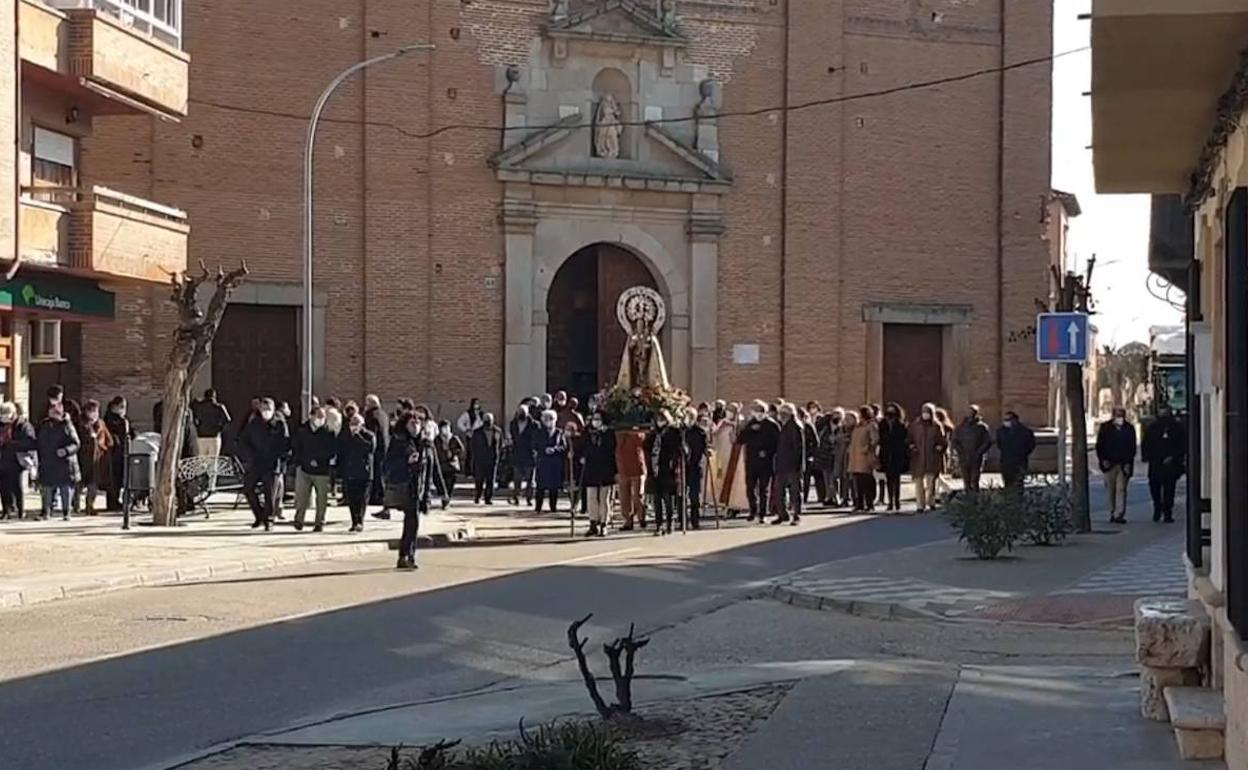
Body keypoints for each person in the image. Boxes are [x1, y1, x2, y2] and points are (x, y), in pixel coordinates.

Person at [383, 412, 435, 570]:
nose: (416, 425)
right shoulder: (399, 442)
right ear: (405, 425)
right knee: (411, 522)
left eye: (419, 422)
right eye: (413, 422)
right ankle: (405, 556)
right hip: (404, 486)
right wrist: (406, 461)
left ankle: (408, 556)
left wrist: (431, 493)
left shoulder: (425, 444)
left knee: (413, 524)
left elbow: (431, 469)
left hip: (419, 489)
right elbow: (387, 465)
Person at [238, 397, 290, 531]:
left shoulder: (279, 424)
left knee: (270, 493)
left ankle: (269, 519)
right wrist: (249, 456)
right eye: (263, 409)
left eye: (268, 409)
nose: (265, 412)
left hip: (273, 464)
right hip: (256, 461)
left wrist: (281, 459)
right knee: (248, 489)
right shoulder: (254, 423)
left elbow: (285, 443)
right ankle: (259, 515)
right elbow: (244, 440)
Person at [291, 405, 337, 532]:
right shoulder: (302, 430)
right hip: (304, 468)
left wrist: (320, 461)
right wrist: (302, 462)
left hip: (322, 470)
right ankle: (299, 520)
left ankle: (319, 522)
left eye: (323, 417)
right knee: (301, 497)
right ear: (311, 416)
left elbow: (331, 450)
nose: (321, 419)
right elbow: (297, 447)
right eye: (318, 416)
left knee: (321, 498)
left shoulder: (328, 432)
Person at [1141, 405, 1186, 523]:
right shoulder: (1152, 428)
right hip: (1156, 462)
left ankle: (1167, 511)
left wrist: (1174, 457)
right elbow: (1146, 444)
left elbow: (1182, 445)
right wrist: (1148, 457)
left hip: (1170, 464)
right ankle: (1158, 507)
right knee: (1155, 487)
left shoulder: (1177, 427)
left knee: (1169, 489)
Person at [37, 402, 80, 521]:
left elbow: (76, 443)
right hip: (48, 461)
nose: (53, 414)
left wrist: (66, 450)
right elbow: (39, 441)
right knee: (47, 488)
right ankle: (46, 511)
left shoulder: (67, 425)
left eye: (56, 412)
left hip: (64, 463)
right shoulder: (44, 425)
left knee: (65, 489)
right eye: (51, 411)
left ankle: (66, 512)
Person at [740, 400, 780, 523]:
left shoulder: (772, 425)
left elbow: (777, 443)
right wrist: (748, 429)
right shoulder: (750, 424)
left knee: (764, 489)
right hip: (751, 461)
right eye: (756, 411)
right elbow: (741, 439)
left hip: (765, 462)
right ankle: (753, 510)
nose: (758, 414)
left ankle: (762, 513)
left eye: (761, 411)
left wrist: (767, 452)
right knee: (750, 488)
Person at [1096, 407, 1138, 524]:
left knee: (1121, 489)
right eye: (1117, 415)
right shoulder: (1105, 428)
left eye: (1121, 415)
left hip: (1124, 464)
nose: (1120, 418)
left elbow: (1132, 447)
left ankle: (1119, 513)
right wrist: (1103, 459)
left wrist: (1128, 463)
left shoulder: (1129, 429)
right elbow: (1100, 445)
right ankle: (1112, 511)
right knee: (1110, 489)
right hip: (1109, 464)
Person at [646, 410, 685, 535]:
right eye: (658, 419)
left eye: (662, 419)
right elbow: (646, 446)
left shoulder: (674, 433)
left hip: (668, 468)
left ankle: (669, 522)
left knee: (668, 498)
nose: (660, 422)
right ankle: (659, 524)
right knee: (657, 499)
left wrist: (681, 450)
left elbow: (681, 447)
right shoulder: (654, 434)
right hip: (655, 469)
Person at [579, 413, 617, 536]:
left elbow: (611, 450)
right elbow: (582, 447)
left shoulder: (608, 433)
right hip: (591, 469)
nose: (595, 421)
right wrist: (582, 456)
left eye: (598, 419)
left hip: (605, 469)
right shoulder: (587, 433)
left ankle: (604, 523)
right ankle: (593, 523)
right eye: (594, 419)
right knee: (591, 498)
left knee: (604, 498)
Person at [338, 413, 376, 532]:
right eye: (352, 423)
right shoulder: (346, 436)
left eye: (356, 424)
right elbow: (341, 450)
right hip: (350, 472)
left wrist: (358, 435)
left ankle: (360, 521)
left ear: (362, 424)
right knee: (352, 499)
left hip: (365, 473)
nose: (353, 426)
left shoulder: (369, 435)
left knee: (362, 499)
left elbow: (370, 448)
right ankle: (354, 522)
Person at [75, 400, 114, 516]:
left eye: (96, 411)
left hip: (98, 459)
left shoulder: (101, 423)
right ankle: (76, 505)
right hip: (83, 457)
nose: (94, 414)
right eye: (92, 411)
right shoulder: (80, 424)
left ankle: (89, 506)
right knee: (80, 483)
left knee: (94, 484)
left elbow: (109, 440)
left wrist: (103, 447)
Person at [907, 403, 948, 512]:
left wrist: (940, 447)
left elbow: (943, 440)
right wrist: (912, 447)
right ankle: (920, 505)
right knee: (918, 483)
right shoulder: (915, 425)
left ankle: (931, 502)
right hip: (918, 458)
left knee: (931, 484)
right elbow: (909, 439)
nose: (925, 414)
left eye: (928, 412)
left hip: (932, 458)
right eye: (924, 411)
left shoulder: (936, 426)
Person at [0, 403, 35, 519]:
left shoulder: (23, 425)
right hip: (3, 458)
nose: (4, 418)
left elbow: (30, 442)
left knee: (17, 486)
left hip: (17, 459)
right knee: (4, 486)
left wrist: (13, 444)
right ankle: (6, 510)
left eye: (6, 415)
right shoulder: (2, 425)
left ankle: (21, 510)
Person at [773, 402, 805, 525]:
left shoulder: (795, 426)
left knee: (795, 492)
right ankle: (783, 514)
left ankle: (796, 515)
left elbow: (798, 447)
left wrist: (797, 465)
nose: (780, 416)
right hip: (782, 464)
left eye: (782, 413)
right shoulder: (784, 426)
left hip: (792, 465)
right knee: (779, 490)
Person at [101, 396, 133, 512]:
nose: (124, 410)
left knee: (119, 478)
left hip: (122, 452)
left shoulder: (123, 420)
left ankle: (116, 500)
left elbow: (130, 434)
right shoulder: (110, 419)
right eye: (122, 407)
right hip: (113, 453)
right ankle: (112, 502)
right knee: (113, 478)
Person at [952, 405, 992, 492]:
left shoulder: (982, 427)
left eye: (973, 412)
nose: (970, 414)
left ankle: (974, 500)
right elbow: (954, 441)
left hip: (977, 457)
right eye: (969, 412)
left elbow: (987, 441)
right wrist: (960, 452)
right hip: (964, 457)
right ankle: (967, 499)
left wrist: (979, 452)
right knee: (966, 481)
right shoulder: (960, 427)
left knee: (975, 480)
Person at [534, 410, 567, 513]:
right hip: (543, 462)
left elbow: (564, 446)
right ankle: (538, 507)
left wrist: (555, 449)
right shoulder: (538, 432)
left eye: (551, 419)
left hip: (555, 463)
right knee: (540, 487)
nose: (549, 421)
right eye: (547, 419)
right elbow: (534, 445)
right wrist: (544, 449)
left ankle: (553, 507)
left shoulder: (559, 432)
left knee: (554, 487)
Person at [615, 424, 648, 529]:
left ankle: (641, 517)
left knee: (638, 496)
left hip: (637, 468)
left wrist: (633, 431)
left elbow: (641, 441)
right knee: (624, 497)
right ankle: (628, 520)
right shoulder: (618, 435)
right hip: (623, 468)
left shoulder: (638, 434)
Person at [848, 405, 880, 512]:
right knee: (858, 482)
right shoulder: (857, 427)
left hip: (865, 457)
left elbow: (875, 440)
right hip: (855, 457)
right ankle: (859, 504)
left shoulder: (871, 426)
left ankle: (870, 503)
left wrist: (867, 448)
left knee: (867, 481)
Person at [878, 403, 909, 512]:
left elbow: (904, 439)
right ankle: (890, 501)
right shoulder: (882, 424)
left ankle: (897, 501)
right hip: (886, 454)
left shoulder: (901, 424)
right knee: (889, 479)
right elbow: (880, 438)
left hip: (897, 454)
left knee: (896, 479)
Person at [996, 410, 1037, 490]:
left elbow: (1031, 445)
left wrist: (1022, 453)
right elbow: (999, 444)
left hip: (1020, 461)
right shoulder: (1001, 431)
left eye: (1008, 419)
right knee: (1007, 483)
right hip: (1006, 461)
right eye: (1005, 420)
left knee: (1018, 483)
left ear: (1015, 420)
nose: (1006, 422)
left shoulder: (1025, 432)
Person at [363, 394, 390, 514]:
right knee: (381, 473)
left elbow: (371, 433)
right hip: (385, 447)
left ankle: (380, 497)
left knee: (377, 474)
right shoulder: (383, 414)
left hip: (376, 448)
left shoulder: (371, 415)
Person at [684, 408, 710, 529]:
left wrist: (707, 452)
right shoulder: (680, 431)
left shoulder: (700, 432)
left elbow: (705, 447)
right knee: (681, 496)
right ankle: (682, 520)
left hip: (695, 466)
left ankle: (695, 520)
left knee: (694, 496)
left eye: (690, 416)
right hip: (682, 467)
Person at [470, 413, 503, 505]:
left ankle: (488, 498)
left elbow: (500, 444)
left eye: (490, 420)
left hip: (492, 459)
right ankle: (478, 496)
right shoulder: (477, 432)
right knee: (479, 479)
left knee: (491, 480)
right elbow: (473, 446)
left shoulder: (498, 431)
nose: (488, 422)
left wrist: (498, 455)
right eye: (486, 420)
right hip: (480, 459)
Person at [433, 419, 465, 509]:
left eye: (447, 427)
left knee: (450, 484)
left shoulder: (454, 438)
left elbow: (461, 450)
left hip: (452, 465)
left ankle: (447, 499)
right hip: (441, 465)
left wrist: (453, 453)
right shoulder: (437, 439)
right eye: (443, 428)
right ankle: (444, 498)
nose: (445, 430)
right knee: (441, 484)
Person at [509, 403, 537, 506]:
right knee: (517, 478)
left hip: (529, 455)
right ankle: (516, 497)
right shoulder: (513, 424)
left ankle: (529, 498)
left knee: (530, 480)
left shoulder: (534, 425)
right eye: (520, 412)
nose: (521, 414)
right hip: (517, 454)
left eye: (523, 413)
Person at [190, 388, 231, 458]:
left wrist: (198, 427)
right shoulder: (219, 407)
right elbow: (228, 420)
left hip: (201, 436)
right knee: (213, 461)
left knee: (202, 460)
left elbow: (192, 408)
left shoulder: (199, 406)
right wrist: (219, 430)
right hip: (214, 436)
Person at [832, 410, 857, 508]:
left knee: (852, 479)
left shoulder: (856, 429)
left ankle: (855, 498)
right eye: (845, 418)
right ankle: (844, 498)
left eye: (849, 419)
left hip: (852, 457)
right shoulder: (840, 429)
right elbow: (834, 439)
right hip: (841, 457)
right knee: (842, 479)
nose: (846, 420)